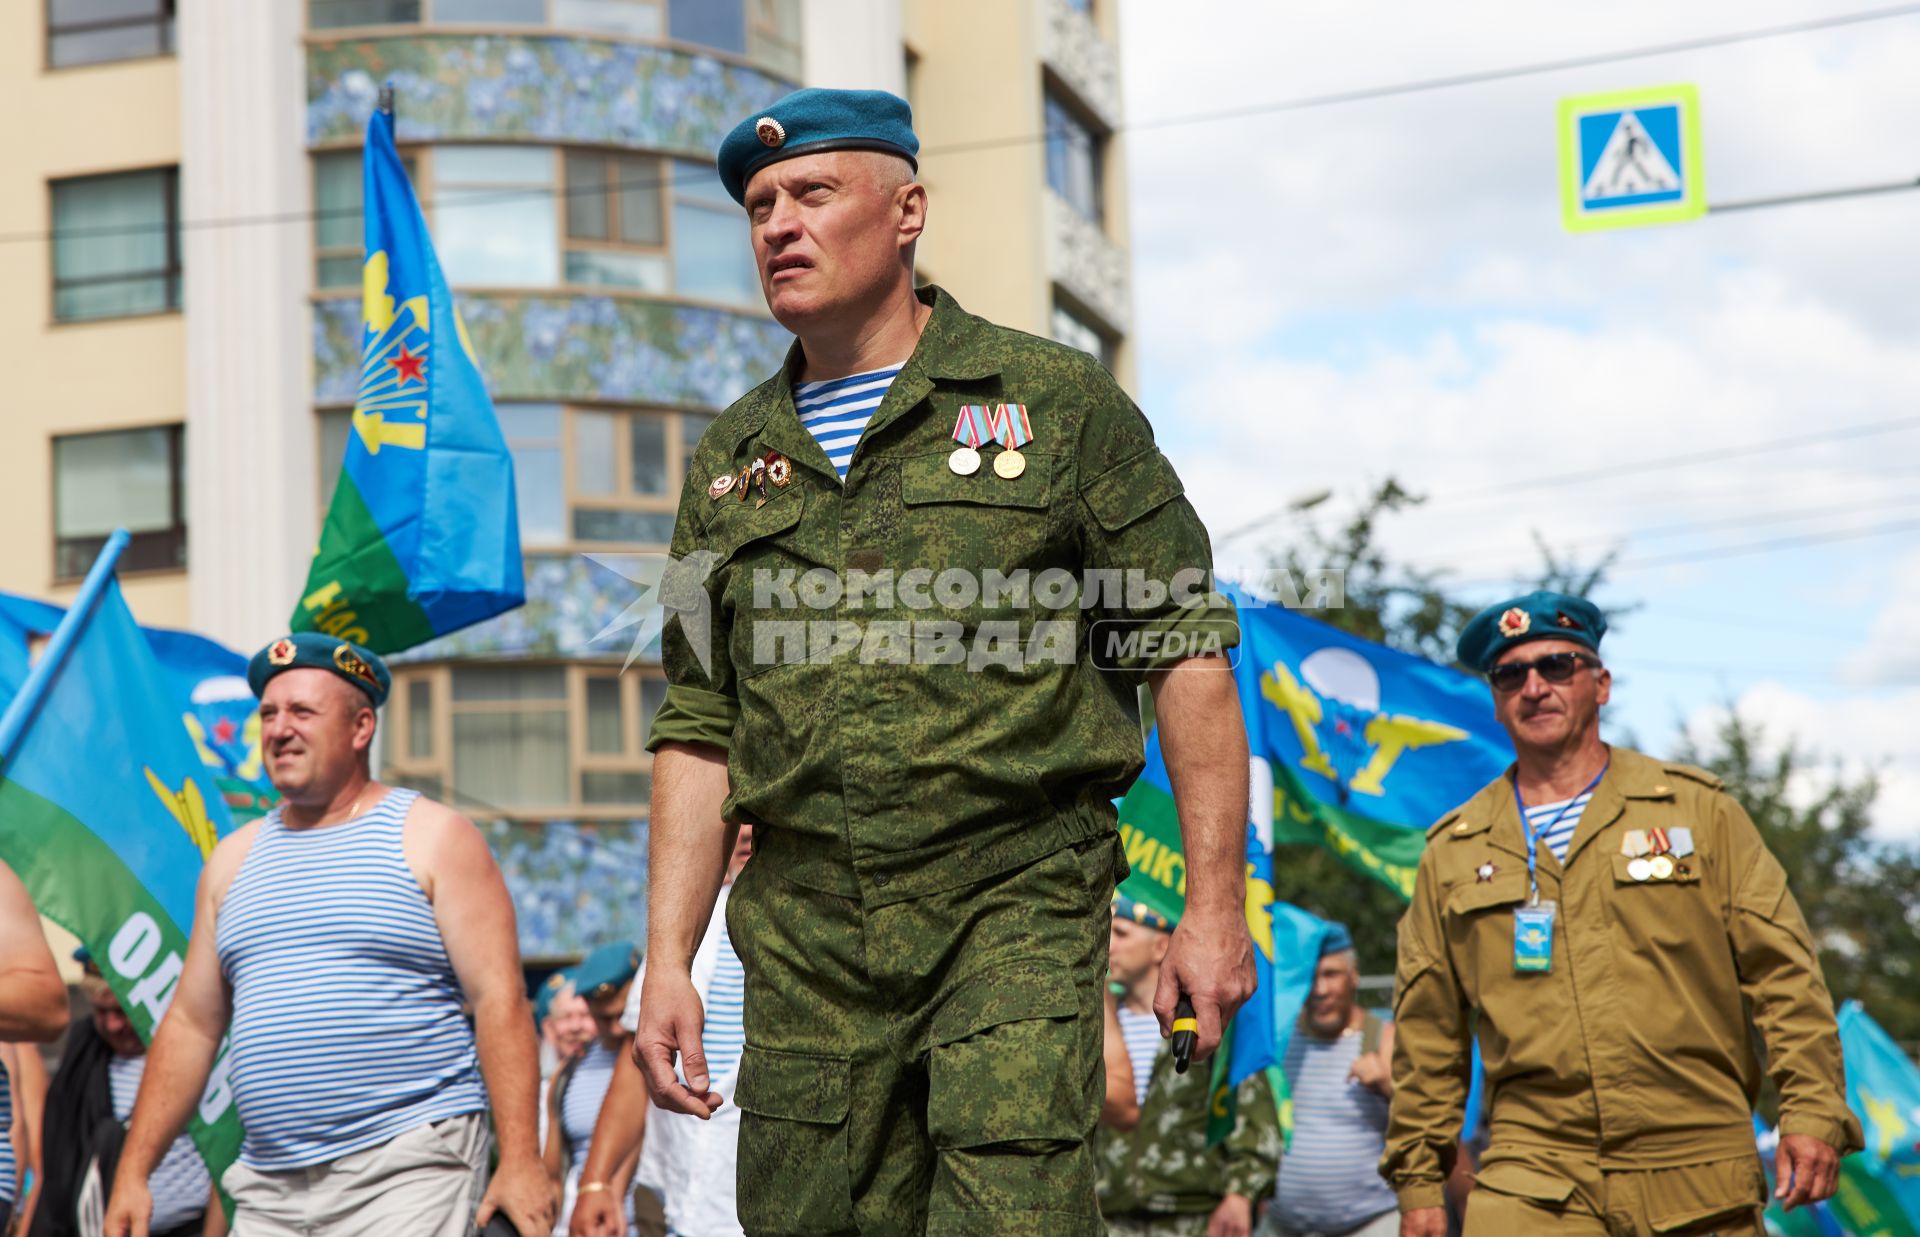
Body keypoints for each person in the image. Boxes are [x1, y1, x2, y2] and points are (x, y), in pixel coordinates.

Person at [635, 86, 1255, 1235]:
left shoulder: (1058, 404)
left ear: (907, 210)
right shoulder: (723, 462)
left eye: (812, 193)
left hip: (1010, 899)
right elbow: (697, 718)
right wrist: (666, 958)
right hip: (807, 936)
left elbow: (1185, 653)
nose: (778, 223)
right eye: (761, 204)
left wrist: (1213, 910)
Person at [1386, 592, 1863, 1237]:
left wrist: (1811, 1110)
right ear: (1496, 700)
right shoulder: (1455, 849)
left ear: (1600, 684)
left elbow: (1783, 975)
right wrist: (1419, 1183)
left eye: (1557, 666)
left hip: (1697, 1165)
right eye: (1511, 675)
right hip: (1533, 1173)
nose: (1534, 687)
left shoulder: (1696, 811)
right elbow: (1428, 1031)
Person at [104, 632, 553, 1237]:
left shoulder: (434, 837)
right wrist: (135, 1171)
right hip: (267, 1186)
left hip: (408, 1169)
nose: (278, 728)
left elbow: (499, 999)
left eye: (302, 712)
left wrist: (522, 1161)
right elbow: (191, 1023)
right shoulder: (231, 862)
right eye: (268, 714)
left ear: (361, 727)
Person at [572, 825, 754, 1237]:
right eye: (735, 815)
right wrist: (597, 1183)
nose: (745, 831)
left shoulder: (824, 930)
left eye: (755, 813)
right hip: (678, 1210)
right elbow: (639, 1064)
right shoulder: (683, 932)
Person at [1096, 896, 1278, 1237]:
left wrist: (1240, 1196)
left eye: (1121, 933)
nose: (1109, 945)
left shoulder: (1203, 1024)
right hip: (1110, 1220)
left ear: (1160, 947)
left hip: (1194, 1221)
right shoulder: (1098, 1026)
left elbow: (1252, 1116)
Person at [31, 962, 219, 1237]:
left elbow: (224, 1154)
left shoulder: (193, 1060)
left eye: (122, 1012)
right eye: (101, 1012)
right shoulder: (85, 1057)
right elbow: (59, 1163)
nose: (112, 1025)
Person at [1262, 925, 1396, 1237]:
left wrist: (1388, 1084)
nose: (1320, 989)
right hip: (1283, 1224)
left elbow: (1430, 1123)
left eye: (1331, 974)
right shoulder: (1280, 1040)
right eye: (1310, 976)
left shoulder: (1383, 1038)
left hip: (1369, 1223)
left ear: (1354, 976)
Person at [546, 942, 641, 1237]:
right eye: (604, 1018)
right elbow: (553, 1174)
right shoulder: (568, 1073)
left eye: (622, 1015)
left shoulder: (660, 1060)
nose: (616, 1028)